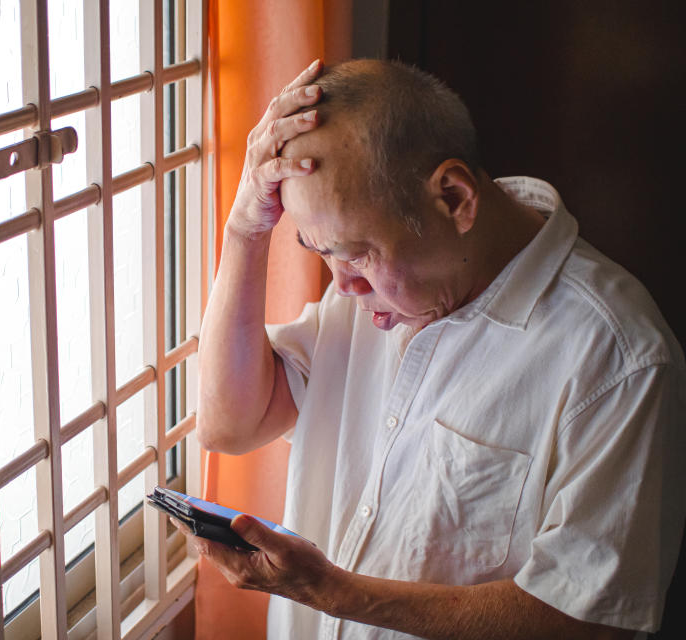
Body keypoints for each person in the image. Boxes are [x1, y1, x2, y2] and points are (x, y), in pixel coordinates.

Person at [191, 58, 686, 639]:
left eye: (357, 253)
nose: (343, 284)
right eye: (318, 250)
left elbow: (586, 620)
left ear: (453, 198)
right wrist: (245, 228)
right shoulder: (370, 296)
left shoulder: (620, 357)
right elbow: (228, 425)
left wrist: (335, 594)